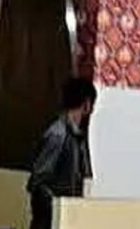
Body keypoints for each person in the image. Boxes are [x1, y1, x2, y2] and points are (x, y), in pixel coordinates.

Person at [27, 77, 96, 229]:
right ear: (86, 104)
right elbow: (38, 183)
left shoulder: (77, 137)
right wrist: (58, 207)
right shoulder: (58, 135)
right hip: (51, 221)